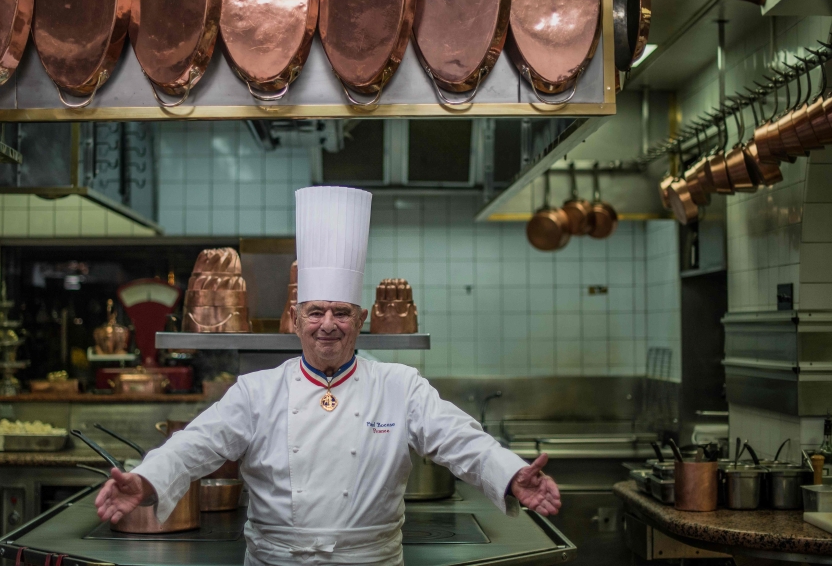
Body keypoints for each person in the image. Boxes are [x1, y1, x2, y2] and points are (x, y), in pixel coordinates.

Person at [95, 186, 561, 565]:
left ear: (360, 321)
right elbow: (196, 445)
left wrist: (510, 472)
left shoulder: (400, 386)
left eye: (341, 312)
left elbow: (463, 440)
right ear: (296, 321)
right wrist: (147, 479)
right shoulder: (259, 391)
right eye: (315, 311)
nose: (328, 323)